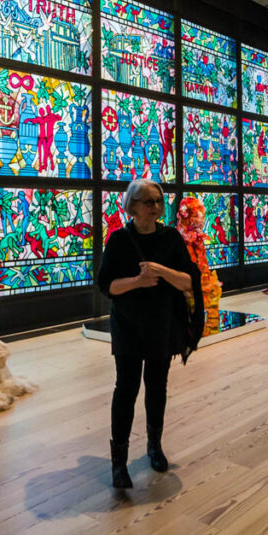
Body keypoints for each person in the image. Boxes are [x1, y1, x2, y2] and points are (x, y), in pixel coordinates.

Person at [96, 179, 202, 489]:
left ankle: (154, 447)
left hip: (161, 325)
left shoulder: (171, 238)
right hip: (128, 326)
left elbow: (187, 281)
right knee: (125, 390)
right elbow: (108, 287)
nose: (156, 206)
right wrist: (138, 282)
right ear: (131, 206)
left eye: (158, 200)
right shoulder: (117, 240)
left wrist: (159, 269)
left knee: (157, 387)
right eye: (148, 201)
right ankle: (119, 461)